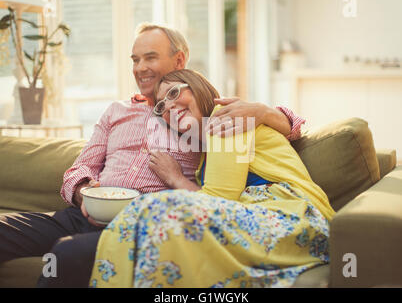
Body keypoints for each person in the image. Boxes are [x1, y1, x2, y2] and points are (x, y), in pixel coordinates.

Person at [0, 23, 304, 288]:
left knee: (65, 254)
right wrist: (82, 193)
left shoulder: (198, 110)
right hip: (82, 215)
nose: (139, 67)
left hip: (142, 222)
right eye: (135, 59)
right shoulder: (116, 111)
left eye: (150, 57)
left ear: (179, 59)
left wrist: (265, 111)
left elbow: (291, 129)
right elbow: (79, 168)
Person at [90, 69, 335, 288]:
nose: (169, 106)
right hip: (270, 218)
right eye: (161, 106)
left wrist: (175, 178)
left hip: (294, 217)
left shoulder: (224, 119)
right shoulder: (207, 153)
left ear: (198, 87)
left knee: (156, 209)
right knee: (141, 216)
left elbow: (219, 199)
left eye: (174, 93)